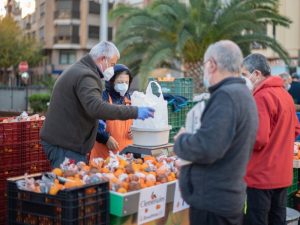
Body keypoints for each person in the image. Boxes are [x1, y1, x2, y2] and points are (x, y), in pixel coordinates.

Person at [174, 40, 258, 225]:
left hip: (213, 204)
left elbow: (207, 148)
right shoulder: (243, 94)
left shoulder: (226, 96)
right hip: (225, 199)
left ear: (211, 64)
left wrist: (182, 140)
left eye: (205, 65)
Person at [40, 41, 154, 168]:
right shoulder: (86, 76)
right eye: (112, 64)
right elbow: (96, 108)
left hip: (66, 143)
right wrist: (135, 112)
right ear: (102, 59)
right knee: (71, 184)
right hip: (66, 146)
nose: (112, 69)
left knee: (73, 183)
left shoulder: (80, 70)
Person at [241, 53, 300, 225]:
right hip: (281, 174)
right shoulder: (285, 95)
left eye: (245, 75)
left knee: (256, 220)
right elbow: (296, 128)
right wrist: (279, 143)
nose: (243, 80)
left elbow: (258, 139)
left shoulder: (261, 97)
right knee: (277, 219)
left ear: (257, 74)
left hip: (260, 176)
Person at [89, 64, 134, 160]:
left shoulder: (130, 99)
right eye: (120, 82)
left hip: (125, 159)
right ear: (111, 82)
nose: (124, 85)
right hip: (103, 159)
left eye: (126, 82)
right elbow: (92, 124)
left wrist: (136, 130)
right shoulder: (102, 99)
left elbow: (139, 122)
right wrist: (106, 138)